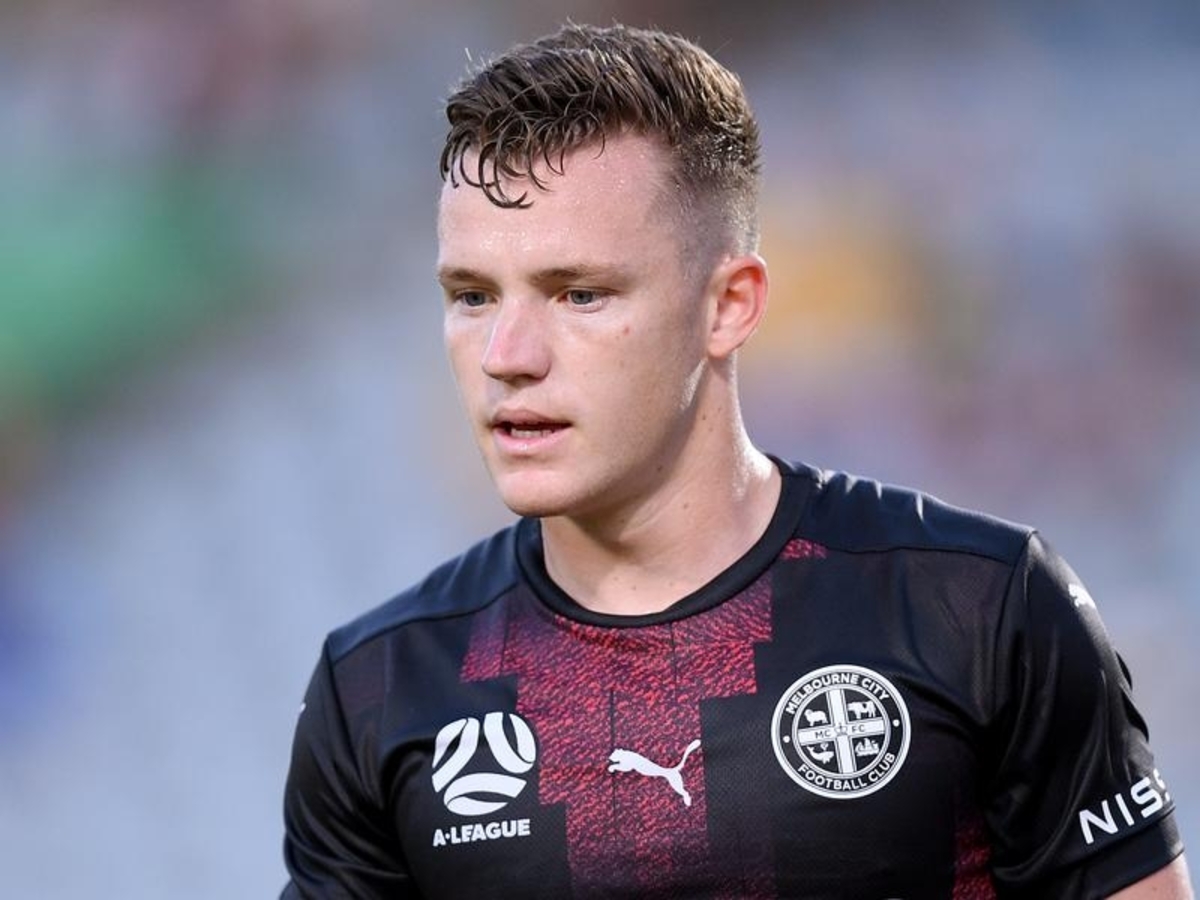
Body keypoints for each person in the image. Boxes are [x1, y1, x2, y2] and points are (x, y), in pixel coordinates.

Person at [280, 22, 1192, 899]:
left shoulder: (977, 608)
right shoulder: (382, 687)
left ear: (729, 306)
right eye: (473, 295)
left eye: (580, 293)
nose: (506, 355)